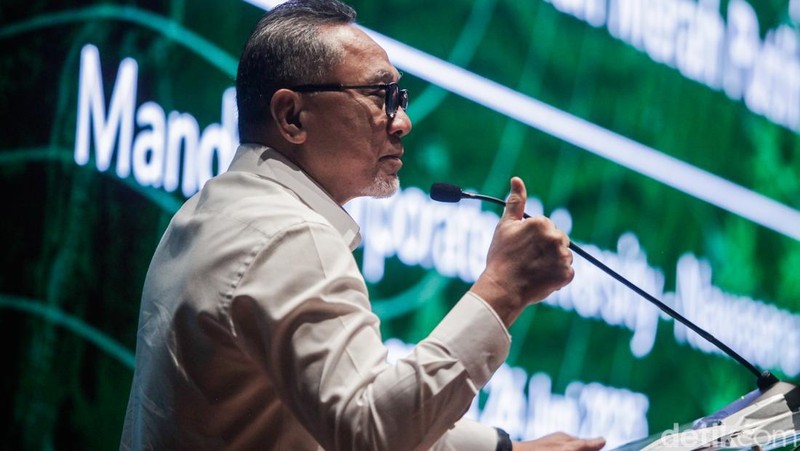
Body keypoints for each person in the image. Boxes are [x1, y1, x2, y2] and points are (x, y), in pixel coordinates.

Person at [120, 0, 607, 449]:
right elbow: (371, 434)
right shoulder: (286, 234)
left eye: (401, 97)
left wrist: (507, 449)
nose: (403, 121)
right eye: (380, 96)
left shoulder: (216, 213)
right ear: (292, 116)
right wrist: (503, 289)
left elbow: (348, 415)